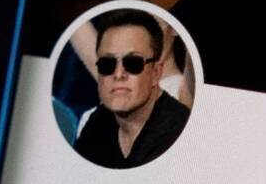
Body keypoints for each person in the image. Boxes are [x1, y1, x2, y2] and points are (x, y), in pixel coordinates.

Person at [73, 9, 189, 169]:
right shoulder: (99, 119)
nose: (119, 74)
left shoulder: (182, 103)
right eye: (107, 64)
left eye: (133, 63)